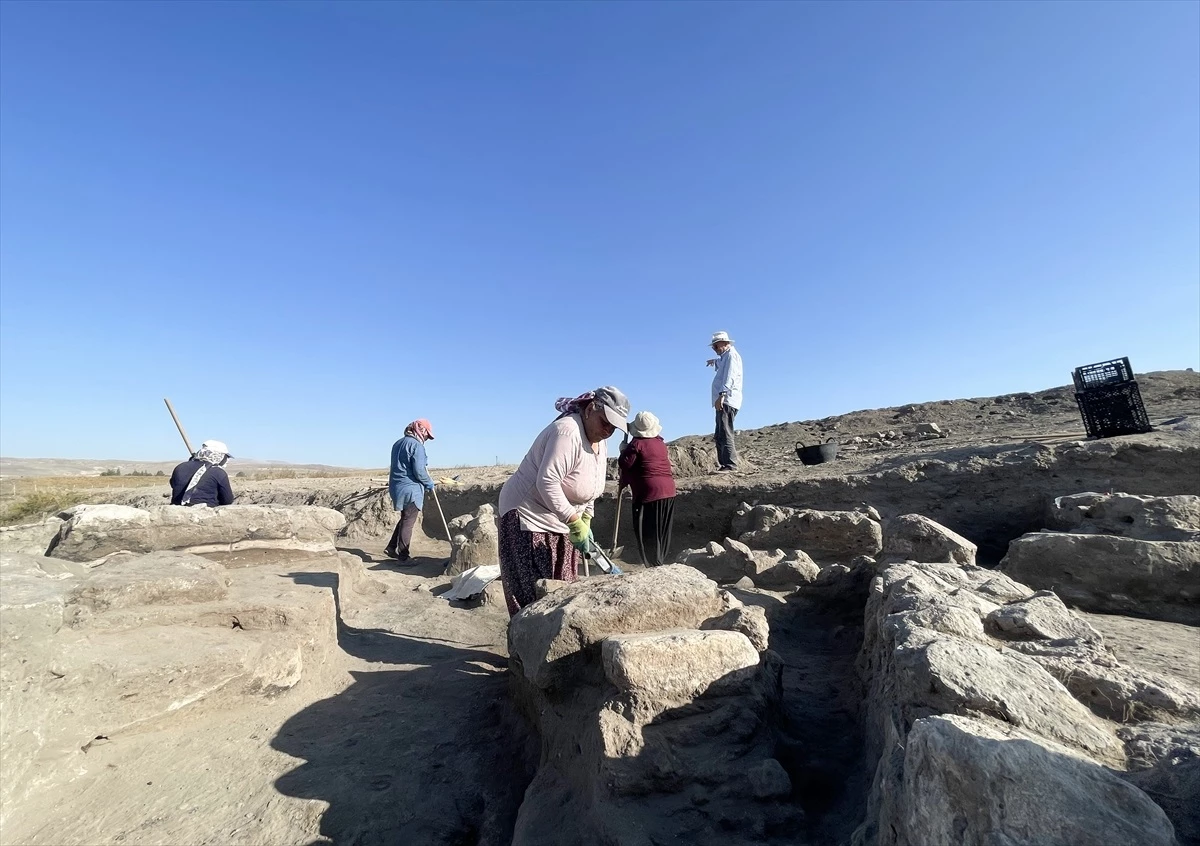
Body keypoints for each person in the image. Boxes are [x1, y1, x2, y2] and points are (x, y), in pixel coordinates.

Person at [497, 386, 630, 616]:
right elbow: (547, 481)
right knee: (534, 594)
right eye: (605, 421)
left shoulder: (600, 440)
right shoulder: (567, 432)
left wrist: (586, 517)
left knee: (563, 587)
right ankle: (526, 647)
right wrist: (573, 519)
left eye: (614, 427)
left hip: (562, 518)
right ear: (590, 409)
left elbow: (591, 487)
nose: (608, 430)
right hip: (528, 517)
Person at [617, 411, 677, 567]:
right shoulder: (660, 443)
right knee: (662, 532)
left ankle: (653, 565)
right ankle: (659, 562)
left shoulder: (636, 444)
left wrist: (624, 450)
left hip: (649, 494)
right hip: (669, 491)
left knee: (647, 533)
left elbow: (625, 464)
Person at [386, 419, 436, 562]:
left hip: (397, 487)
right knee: (408, 521)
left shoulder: (398, 443)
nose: (427, 438)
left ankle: (391, 547)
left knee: (405, 517)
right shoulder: (416, 446)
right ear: (422, 430)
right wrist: (428, 483)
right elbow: (419, 470)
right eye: (427, 435)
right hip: (410, 489)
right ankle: (403, 556)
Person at [705, 330, 744, 471]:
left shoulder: (732, 356)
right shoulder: (726, 356)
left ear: (725, 343)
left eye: (716, 346)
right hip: (724, 399)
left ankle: (730, 464)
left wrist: (722, 395)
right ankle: (724, 464)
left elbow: (730, 376)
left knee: (725, 431)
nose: (714, 349)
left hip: (726, 399)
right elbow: (722, 364)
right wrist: (714, 362)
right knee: (720, 433)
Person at [169, 440, 235, 507]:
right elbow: (227, 500)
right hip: (206, 513)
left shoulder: (180, 467)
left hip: (177, 511)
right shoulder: (218, 472)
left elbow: (173, 484)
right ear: (218, 455)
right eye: (225, 457)